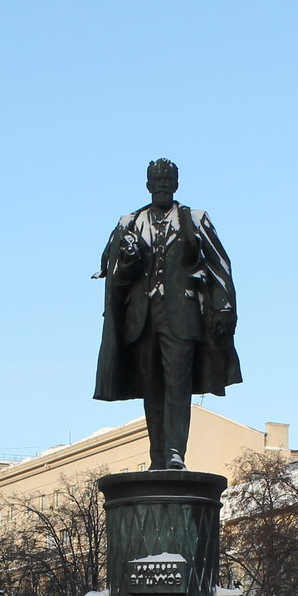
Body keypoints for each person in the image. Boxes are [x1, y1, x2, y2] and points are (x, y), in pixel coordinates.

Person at [93, 158, 241, 471]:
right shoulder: (129, 223)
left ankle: (175, 454)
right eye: (156, 181)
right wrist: (128, 261)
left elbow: (219, 265)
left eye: (167, 181)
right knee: (153, 390)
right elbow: (115, 276)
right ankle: (158, 456)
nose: (161, 185)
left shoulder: (194, 219)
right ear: (147, 185)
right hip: (142, 320)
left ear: (175, 185)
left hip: (181, 317)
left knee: (178, 386)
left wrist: (225, 305)